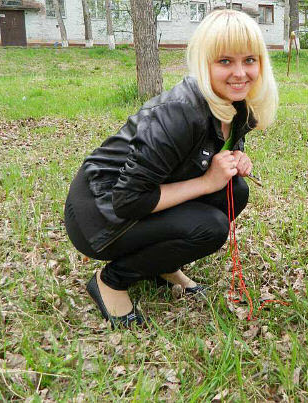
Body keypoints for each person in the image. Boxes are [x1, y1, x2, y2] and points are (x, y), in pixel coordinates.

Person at [64, 9, 278, 327]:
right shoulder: (179, 114)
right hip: (99, 215)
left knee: (235, 190)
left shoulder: (238, 106)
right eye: (225, 61)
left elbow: (218, 147)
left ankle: (163, 265)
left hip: (137, 200)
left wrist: (236, 158)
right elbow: (128, 200)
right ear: (205, 64)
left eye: (249, 60)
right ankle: (111, 281)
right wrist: (207, 181)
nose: (240, 73)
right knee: (211, 227)